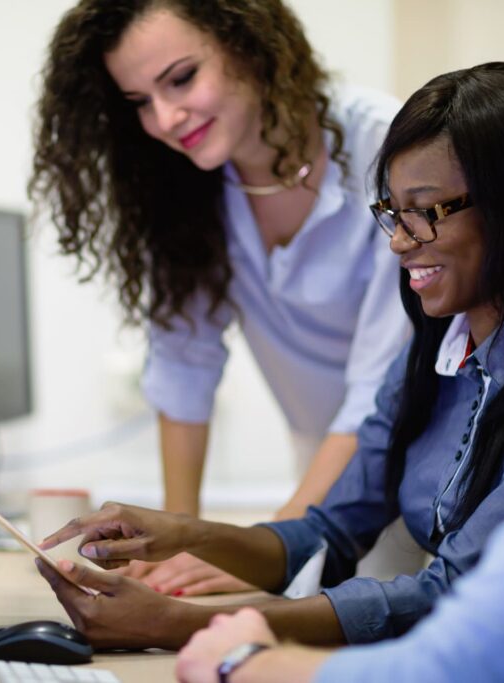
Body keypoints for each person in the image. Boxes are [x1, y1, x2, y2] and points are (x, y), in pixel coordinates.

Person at [35, 62, 504, 652]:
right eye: (394, 212)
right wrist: (177, 534)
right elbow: (329, 531)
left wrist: (181, 624)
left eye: (425, 211)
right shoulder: (434, 354)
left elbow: (457, 593)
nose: (398, 240)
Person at [173, 0, 504, 681]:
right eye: (395, 213)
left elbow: (472, 648)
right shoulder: (445, 349)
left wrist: (243, 659)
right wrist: (179, 537)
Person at [28, 0, 412, 596]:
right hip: (319, 461)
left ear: (249, 43)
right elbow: (184, 370)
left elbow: (375, 395)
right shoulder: (187, 184)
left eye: (181, 79)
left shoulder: (386, 148)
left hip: (422, 470)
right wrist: (170, 546)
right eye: (139, 103)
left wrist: (259, 551)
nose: (165, 118)